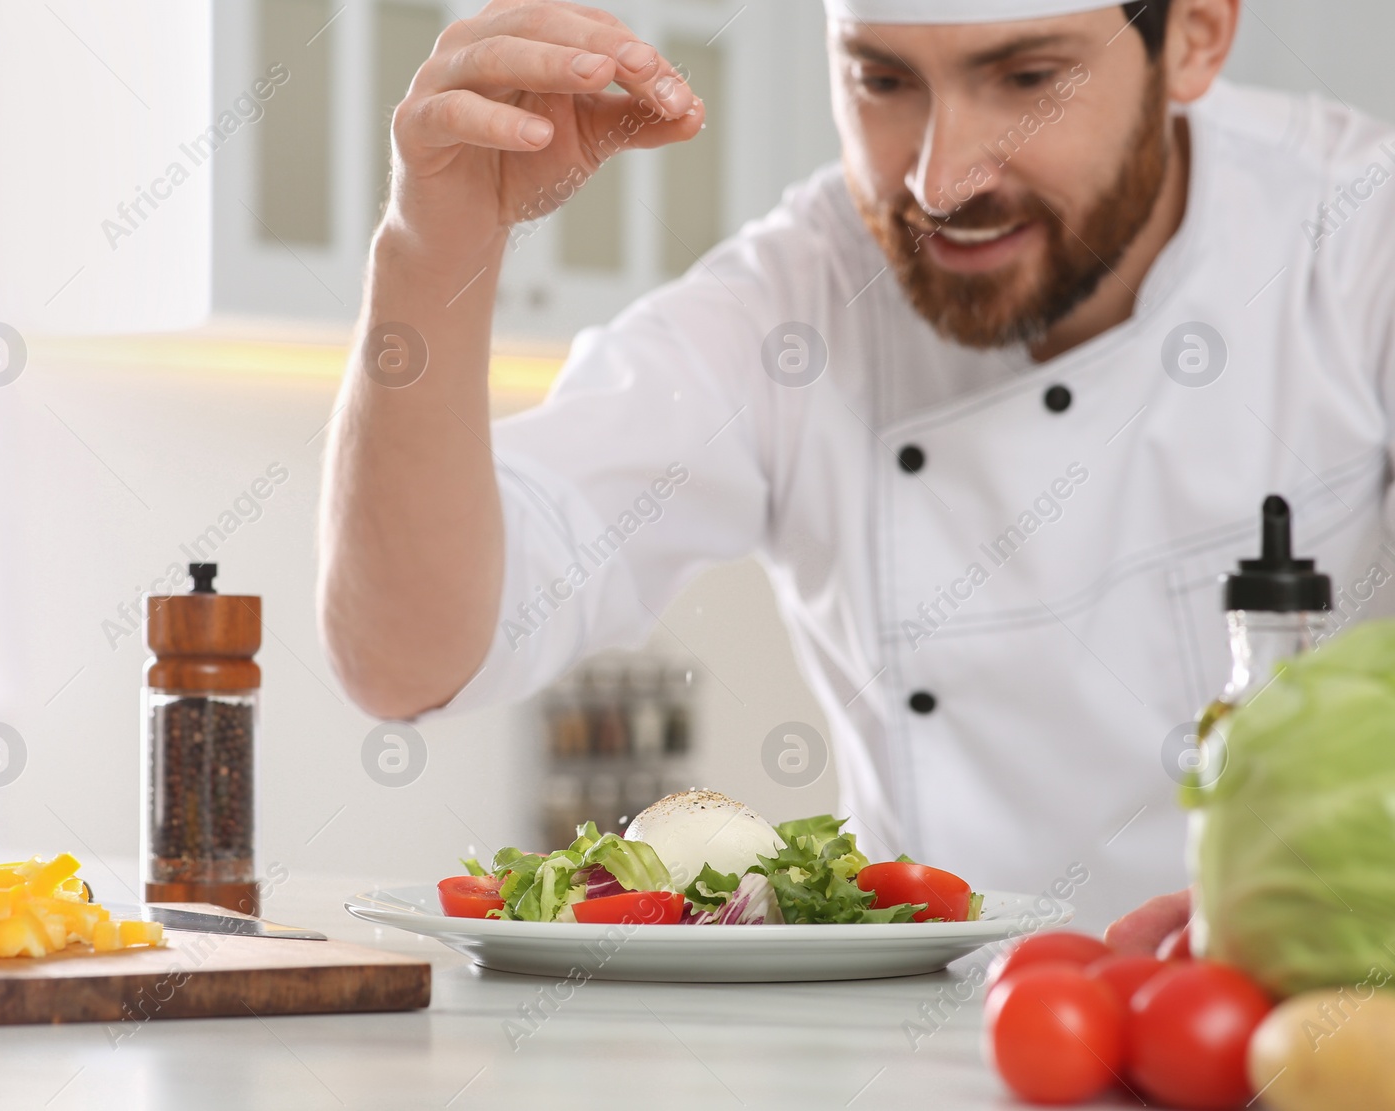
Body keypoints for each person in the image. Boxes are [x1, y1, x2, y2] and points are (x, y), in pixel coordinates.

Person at [317, 0, 1395, 931]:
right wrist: (432, 243)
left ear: (1195, 36)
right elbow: (409, 658)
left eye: (1026, 78)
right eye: (881, 80)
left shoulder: (1357, 239)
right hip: (938, 1055)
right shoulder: (795, 300)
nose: (942, 176)